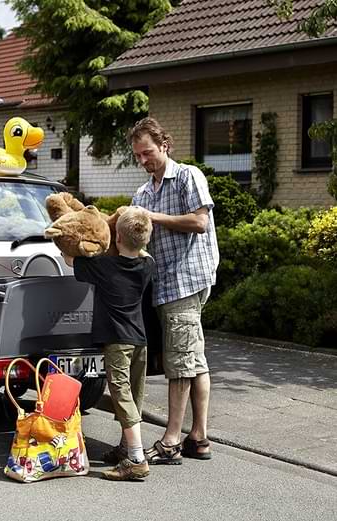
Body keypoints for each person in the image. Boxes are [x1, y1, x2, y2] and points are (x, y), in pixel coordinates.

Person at [127, 117, 219, 464]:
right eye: (137, 156)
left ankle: (170, 441)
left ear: (164, 144)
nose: (143, 160)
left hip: (186, 279)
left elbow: (199, 222)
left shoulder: (187, 176)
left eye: (147, 152)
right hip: (163, 283)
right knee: (195, 358)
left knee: (180, 361)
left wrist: (153, 216)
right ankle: (199, 438)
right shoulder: (143, 191)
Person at [63, 206, 155, 481]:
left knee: (121, 393)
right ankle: (126, 448)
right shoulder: (148, 264)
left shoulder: (103, 266)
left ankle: (136, 459)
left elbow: (69, 259)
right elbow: (142, 250)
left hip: (117, 340)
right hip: (140, 340)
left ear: (116, 238)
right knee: (135, 393)